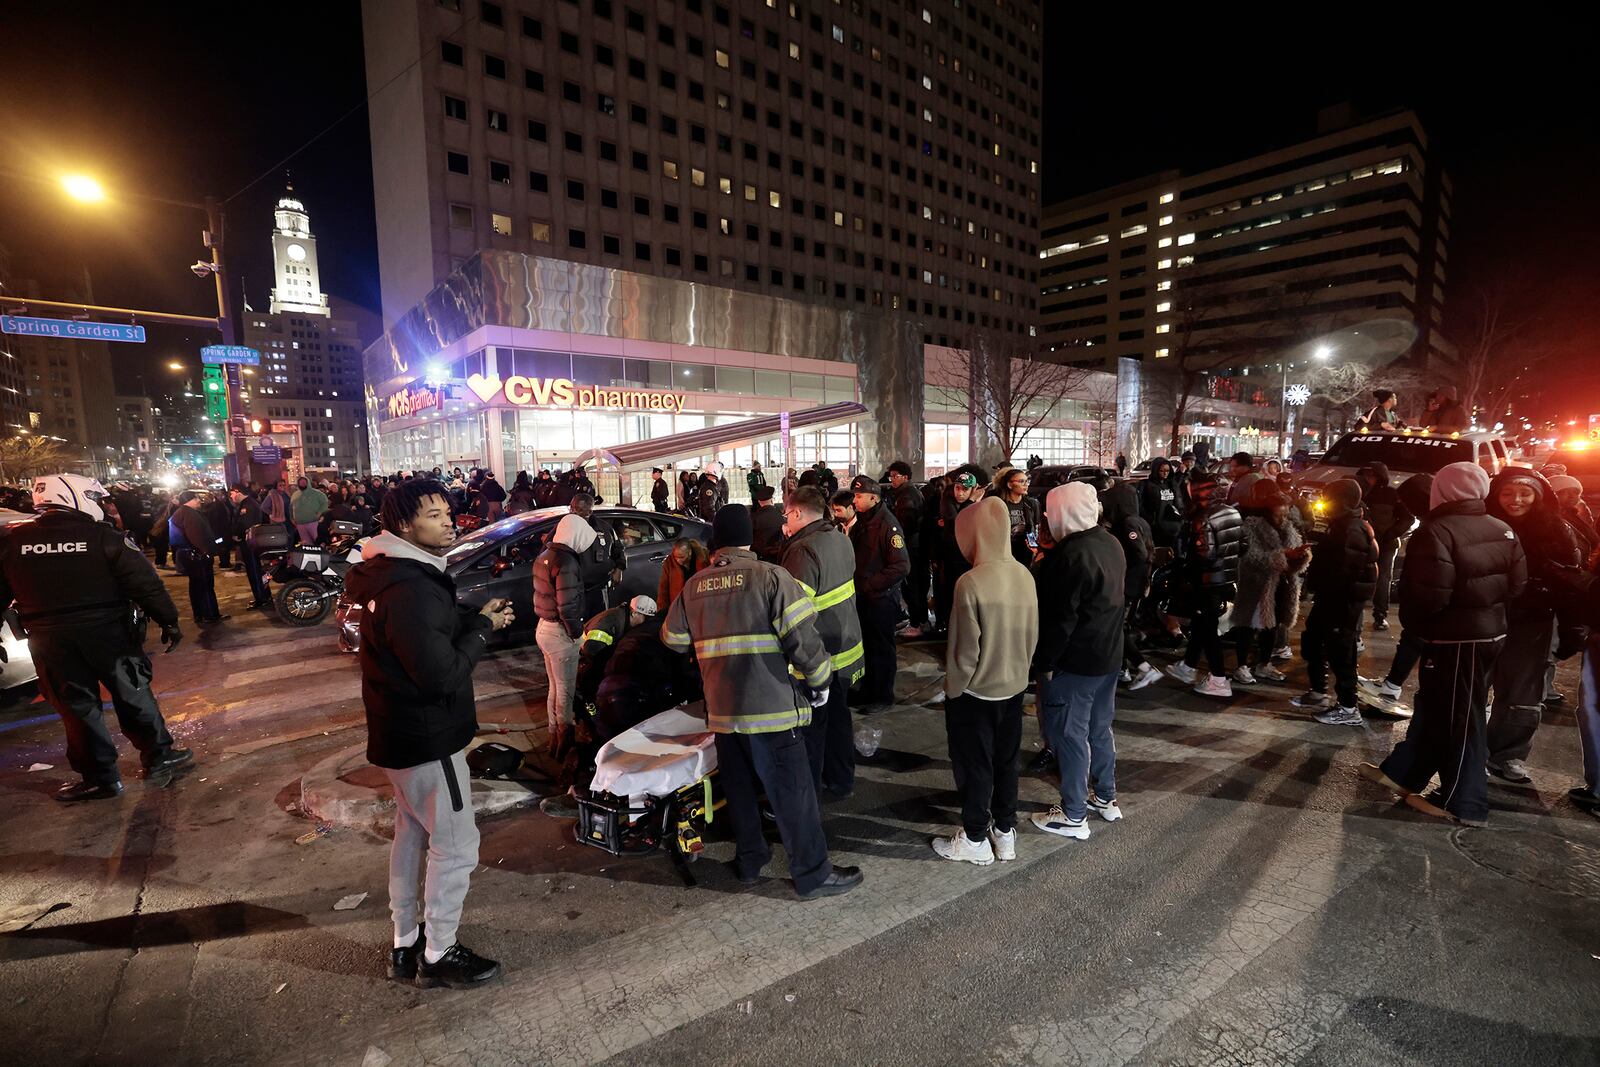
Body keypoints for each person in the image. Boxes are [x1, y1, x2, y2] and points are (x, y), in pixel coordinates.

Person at [344, 479, 514, 989]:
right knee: (457, 846)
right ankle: (440, 952)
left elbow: (426, 639)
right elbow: (439, 674)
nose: (449, 522)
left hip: (398, 735)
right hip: (428, 739)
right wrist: (482, 632)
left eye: (448, 512)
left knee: (412, 834)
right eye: (435, 515)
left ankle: (405, 941)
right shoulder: (410, 587)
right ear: (402, 525)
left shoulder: (389, 574)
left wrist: (472, 620)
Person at [661, 504, 862, 898]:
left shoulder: (695, 586)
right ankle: (813, 874)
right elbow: (803, 640)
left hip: (722, 713)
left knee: (738, 792)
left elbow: (672, 639)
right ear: (749, 539)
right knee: (793, 794)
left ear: (716, 542)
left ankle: (750, 862)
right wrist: (820, 683)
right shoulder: (771, 577)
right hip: (771, 711)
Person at [0, 474, 190, 802]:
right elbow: (145, 585)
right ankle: (159, 758)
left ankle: (100, 778)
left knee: (76, 708)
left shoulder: (12, 542)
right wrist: (169, 622)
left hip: (50, 641)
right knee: (133, 695)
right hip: (108, 634)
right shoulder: (104, 537)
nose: (102, 505)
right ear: (75, 496)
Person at [1361, 463, 1526, 826]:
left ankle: (1464, 802)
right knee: (1443, 709)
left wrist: (1423, 629)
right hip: (1490, 635)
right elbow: (1516, 586)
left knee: (1459, 719)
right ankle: (1406, 772)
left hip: (1454, 639)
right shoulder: (1502, 528)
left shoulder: (1436, 531)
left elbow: (1427, 597)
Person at [934, 495, 1039, 864]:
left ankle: (975, 838)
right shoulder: (1024, 574)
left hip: (976, 693)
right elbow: (1032, 634)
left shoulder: (970, 582)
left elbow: (965, 652)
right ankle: (1005, 831)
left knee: (974, 765)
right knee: (1006, 762)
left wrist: (953, 690)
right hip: (1014, 687)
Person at [1031, 482, 1126, 840]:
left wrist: (1045, 661)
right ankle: (1106, 797)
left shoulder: (1068, 555)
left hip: (1075, 663)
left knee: (1070, 736)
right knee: (1099, 728)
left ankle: (1073, 815)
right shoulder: (1110, 542)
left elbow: (1061, 619)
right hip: (1109, 655)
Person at [1483, 469, 1584, 783]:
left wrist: (1571, 628)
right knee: (1470, 687)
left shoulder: (1557, 530)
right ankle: (1466, 749)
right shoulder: (1484, 525)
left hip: (1532, 622)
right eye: (1508, 493)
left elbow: (1572, 582)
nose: (1516, 500)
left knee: (1522, 693)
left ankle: (1508, 755)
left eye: (1524, 494)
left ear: (1539, 496)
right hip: (1484, 617)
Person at [781, 485, 866, 795]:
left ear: (798, 513)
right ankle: (841, 780)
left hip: (819, 658)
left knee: (812, 731)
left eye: (786, 515)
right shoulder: (840, 538)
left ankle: (808, 792)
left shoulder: (803, 550)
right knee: (839, 723)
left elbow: (795, 615)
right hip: (847, 650)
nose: (785, 521)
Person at [1289, 479, 1378, 725]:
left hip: (1341, 602)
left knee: (1342, 652)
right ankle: (1319, 692)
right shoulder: (1342, 525)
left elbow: (1345, 572)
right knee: (1314, 642)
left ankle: (1348, 707)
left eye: (1329, 499)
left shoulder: (1352, 529)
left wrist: (1326, 586)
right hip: (1330, 599)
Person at [1164, 473, 1243, 697]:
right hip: (1225, 579)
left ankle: (1219, 679)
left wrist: (1185, 559)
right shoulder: (1232, 512)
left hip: (1206, 582)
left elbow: (1204, 555)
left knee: (1207, 630)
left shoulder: (1203, 518)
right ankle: (1188, 666)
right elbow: (1242, 545)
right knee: (1202, 624)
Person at [1225, 483, 1309, 685]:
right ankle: (1241, 666)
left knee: (1273, 624)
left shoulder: (1289, 527)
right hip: (1257, 585)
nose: (1285, 512)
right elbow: (1250, 557)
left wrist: (1300, 557)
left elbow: (1296, 551)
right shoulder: (1252, 525)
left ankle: (1264, 663)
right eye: (1281, 507)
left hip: (1282, 583)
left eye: (1287, 507)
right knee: (1249, 625)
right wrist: (1282, 556)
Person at [533, 514, 595, 759]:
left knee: (554, 688)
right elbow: (567, 606)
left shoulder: (544, 555)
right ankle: (564, 747)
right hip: (560, 633)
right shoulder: (566, 562)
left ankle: (552, 739)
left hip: (543, 628)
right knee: (565, 692)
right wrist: (578, 635)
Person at [848, 474, 910, 710]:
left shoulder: (887, 524)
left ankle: (883, 696)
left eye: (859, 496)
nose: (855, 501)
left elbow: (901, 565)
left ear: (873, 498)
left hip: (881, 599)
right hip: (865, 597)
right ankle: (868, 691)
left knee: (882, 649)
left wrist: (872, 584)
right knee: (868, 647)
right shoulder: (864, 520)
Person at [1100, 479, 1161, 691]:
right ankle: (1123, 668)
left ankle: (1143, 667)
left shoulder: (1128, 524)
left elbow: (1140, 553)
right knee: (1121, 626)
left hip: (1128, 584)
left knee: (1116, 628)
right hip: (1135, 583)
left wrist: (1121, 567)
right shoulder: (1139, 520)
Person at [1357, 463, 1414, 631]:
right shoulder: (1359, 493)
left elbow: (1407, 518)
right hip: (1362, 543)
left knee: (1383, 579)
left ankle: (1380, 615)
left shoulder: (1391, 494)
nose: (1368, 479)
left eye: (1372, 475)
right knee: (1360, 579)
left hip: (1386, 544)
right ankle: (1357, 615)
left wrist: (1391, 533)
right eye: (1366, 475)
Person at [576, 595, 657, 707]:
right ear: (634, 613)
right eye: (646, 618)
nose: (647, 622)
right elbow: (592, 650)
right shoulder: (612, 622)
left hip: (594, 657)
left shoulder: (624, 619)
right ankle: (590, 706)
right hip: (584, 660)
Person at [933, 470, 982, 635]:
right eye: (958, 488)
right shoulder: (947, 500)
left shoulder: (980, 502)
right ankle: (948, 625)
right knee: (950, 591)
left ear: (973, 489)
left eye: (965, 489)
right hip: (951, 556)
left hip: (970, 557)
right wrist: (971, 502)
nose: (960, 493)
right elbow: (957, 521)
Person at [168, 490, 226, 625]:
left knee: (196, 585)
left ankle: (201, 614)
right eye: (196, 498)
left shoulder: (183, 512)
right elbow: (196, 536)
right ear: (190, 500)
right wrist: (206, 552)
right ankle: (209, 614)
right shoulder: (188, 514)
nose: (199, 501)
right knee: (204, 585)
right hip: (196, 556)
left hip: (190, 555)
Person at [885, 461, 929, 638]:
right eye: (891, 476)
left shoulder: (907, 496)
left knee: (913, 585)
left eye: (896, 476)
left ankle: (917, 623)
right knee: (914, 585)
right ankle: (916, 620)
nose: (892, 479)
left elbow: (906, 524)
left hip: (912, 547)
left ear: (905, 477)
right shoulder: (905, 493)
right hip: (915, 545)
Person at [569, 493, 625, 619]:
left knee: (599, 622)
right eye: (574, 509)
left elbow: (618, 549)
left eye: (582, 511)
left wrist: (619, 568)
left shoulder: (604, 528)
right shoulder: (564, 528)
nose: (574, 512)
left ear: (590, 511)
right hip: (574, 590)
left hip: (599, 588)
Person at [230, 484, 271, 609]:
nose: (231, 497)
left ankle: (261, 598)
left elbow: (245, 524)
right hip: (253, 542)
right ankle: (264, 596)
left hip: (250, 543)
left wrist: (237, 534)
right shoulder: (249, 503)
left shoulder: (247, 505)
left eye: (232, 494)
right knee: (257, 571)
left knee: (254, 571)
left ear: (238, 492)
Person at [993, 466, 1040, 566]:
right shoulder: (999, 504)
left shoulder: (1031, 504)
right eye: (1021, 481)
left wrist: (1034, 548)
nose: (1026, 485)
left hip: (1025, 552)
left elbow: (1036, 527)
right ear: (1010, 485)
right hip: (1004, 552)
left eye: (1027, 481)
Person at [656, 537, 709, 611]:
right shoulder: (669, 563)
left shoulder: (702, 558)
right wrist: (662, 609)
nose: (678, 560)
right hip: (680, 606)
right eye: (676, 557)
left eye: (681, 557)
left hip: (699, 603)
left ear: (689, 552)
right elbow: (663, 587)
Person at [1138, 459, 1182, 547]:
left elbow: (1178, 501)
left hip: (1172, 525)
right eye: (1162, 470)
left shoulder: (1172, 484)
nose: (1165, 473)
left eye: (1167, 471)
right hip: (1156, 526)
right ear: (1156, 470)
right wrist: (1149, 519)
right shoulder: (1147, 485)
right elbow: (1140, 504)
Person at [749, 484, 786, 563]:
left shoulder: (753, 518)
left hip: (758, 558)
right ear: (772, 500)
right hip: (777, 557)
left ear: (759, 502)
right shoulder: (781, 517)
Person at [291, 476, 329, 545]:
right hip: (300, 524)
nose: (302, 483)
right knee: (306, 544)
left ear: (307, 482)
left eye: (304, 482)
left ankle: (320, 555)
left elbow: (325, 503)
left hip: (313, 522)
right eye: (300, 482)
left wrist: (320, 513)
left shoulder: (317, 493)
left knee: (318, 541)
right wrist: (292, 518)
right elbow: (291, 507)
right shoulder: (295, 494)